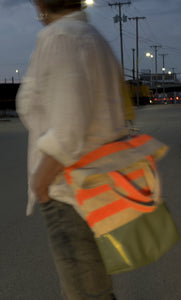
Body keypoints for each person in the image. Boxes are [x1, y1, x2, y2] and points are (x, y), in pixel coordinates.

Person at [17, 0, 129, 299]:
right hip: (98, 190)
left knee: (87, 294)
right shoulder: (94, 38)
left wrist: (40, 183)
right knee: (93, 291)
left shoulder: (61, 38)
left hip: (69, 193)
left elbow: (67, 131)